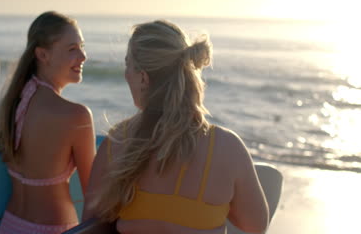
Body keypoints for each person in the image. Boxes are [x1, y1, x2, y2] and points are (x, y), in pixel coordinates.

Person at [83, 20, 269, 234]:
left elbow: (90, 228)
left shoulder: (116, 143)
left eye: (128, 65)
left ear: (143, 77)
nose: (126, 74)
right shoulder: (228, 148)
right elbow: (256, 226)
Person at [0, 11, 96, 234]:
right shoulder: (76, 116)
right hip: (52, 229)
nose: (83, 56)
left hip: (10, 225)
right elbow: (94, 194)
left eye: (82, 46)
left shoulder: (14, 103)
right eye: (72, 49)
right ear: (42, 55)